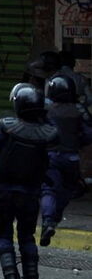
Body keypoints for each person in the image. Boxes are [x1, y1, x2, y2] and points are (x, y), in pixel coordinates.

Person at [0, 86, 58, 279]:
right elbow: (52, 152)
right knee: (27, 236)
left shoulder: (7, 127)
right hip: (30, 193)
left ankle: (11, 276)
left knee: (4, 234)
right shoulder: (47, 134)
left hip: (5, 191)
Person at [40, 75, 92, 247]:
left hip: (50, 157)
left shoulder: (46, 110)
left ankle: (48, 221)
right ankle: (54, 219)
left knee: (48, 189)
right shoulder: (78, 111)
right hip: (71, 157)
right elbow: (88, 134)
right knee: (67, 190)